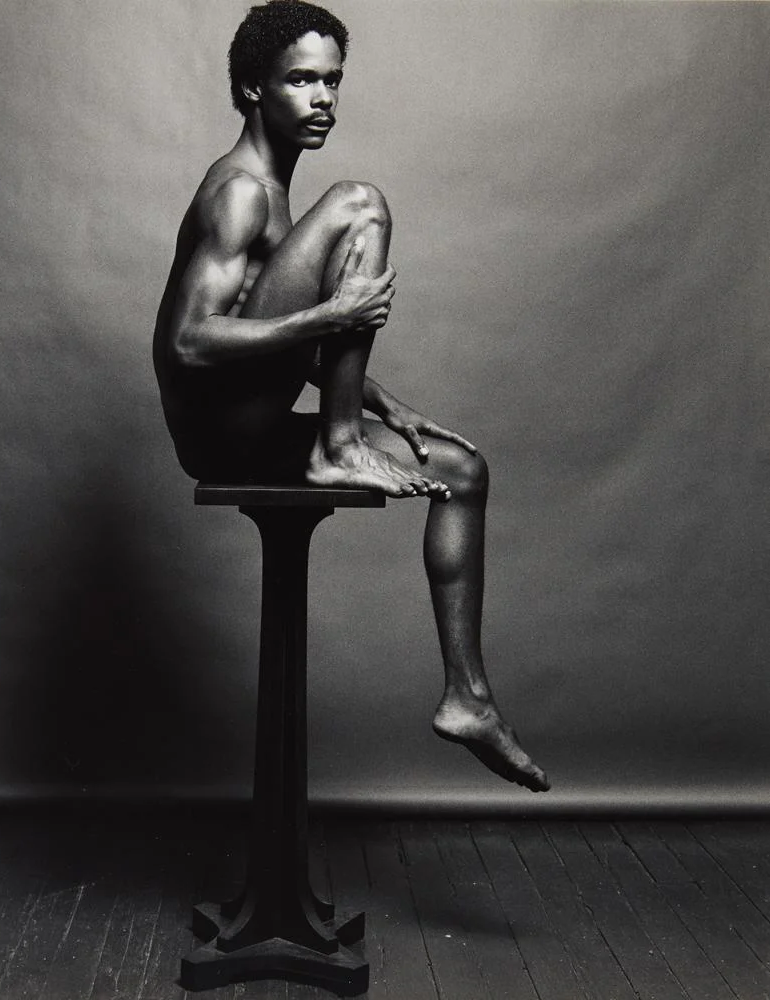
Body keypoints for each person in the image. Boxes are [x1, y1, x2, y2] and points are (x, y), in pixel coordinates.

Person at [153, 0, 550, 792]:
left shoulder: (277, 194)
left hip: (253, 417)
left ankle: (466, 696)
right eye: (300, 79)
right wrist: (327, 317)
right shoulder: (240, 193)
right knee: (361, 203)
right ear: (250, 91)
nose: (323, 97)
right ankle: (336, 450)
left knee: (460, 470)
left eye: (332, 81)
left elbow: (278, 341)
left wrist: (379, 401)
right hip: (217, 431)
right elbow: (188, 342)